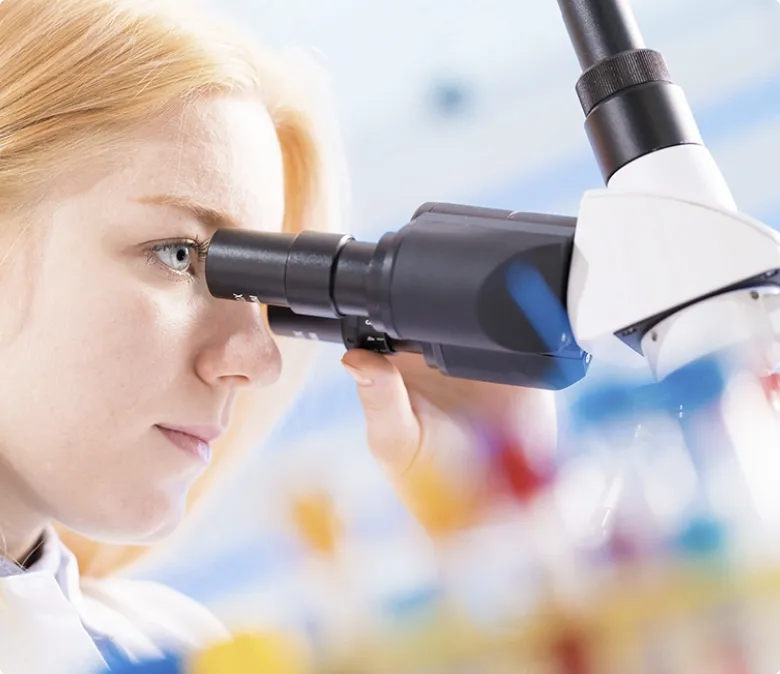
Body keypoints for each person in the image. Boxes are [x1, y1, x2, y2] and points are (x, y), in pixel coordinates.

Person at [0, 0, 558, 672]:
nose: (260, 359)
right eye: (179, 254)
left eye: (259, 292)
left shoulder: (178, 646)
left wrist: (502, 526)